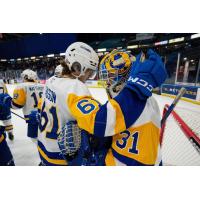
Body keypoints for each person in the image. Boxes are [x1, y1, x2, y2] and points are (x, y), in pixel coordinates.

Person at [34, 41, 166, 166]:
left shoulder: (51, 80)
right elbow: (100, 121)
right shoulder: (75, 87)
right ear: (77, 66)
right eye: (89, 72)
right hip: (60, 156)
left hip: (43, 146)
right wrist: (136, 89)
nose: (90, 76)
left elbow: (41, 106)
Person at [0, 70, 44, 143]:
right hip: (47, 115)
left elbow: (16, 105)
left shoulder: (21, 86)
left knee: (35, 138)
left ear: (26, 77)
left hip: (33, 118)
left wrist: (6, 99)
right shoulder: (43, 86)